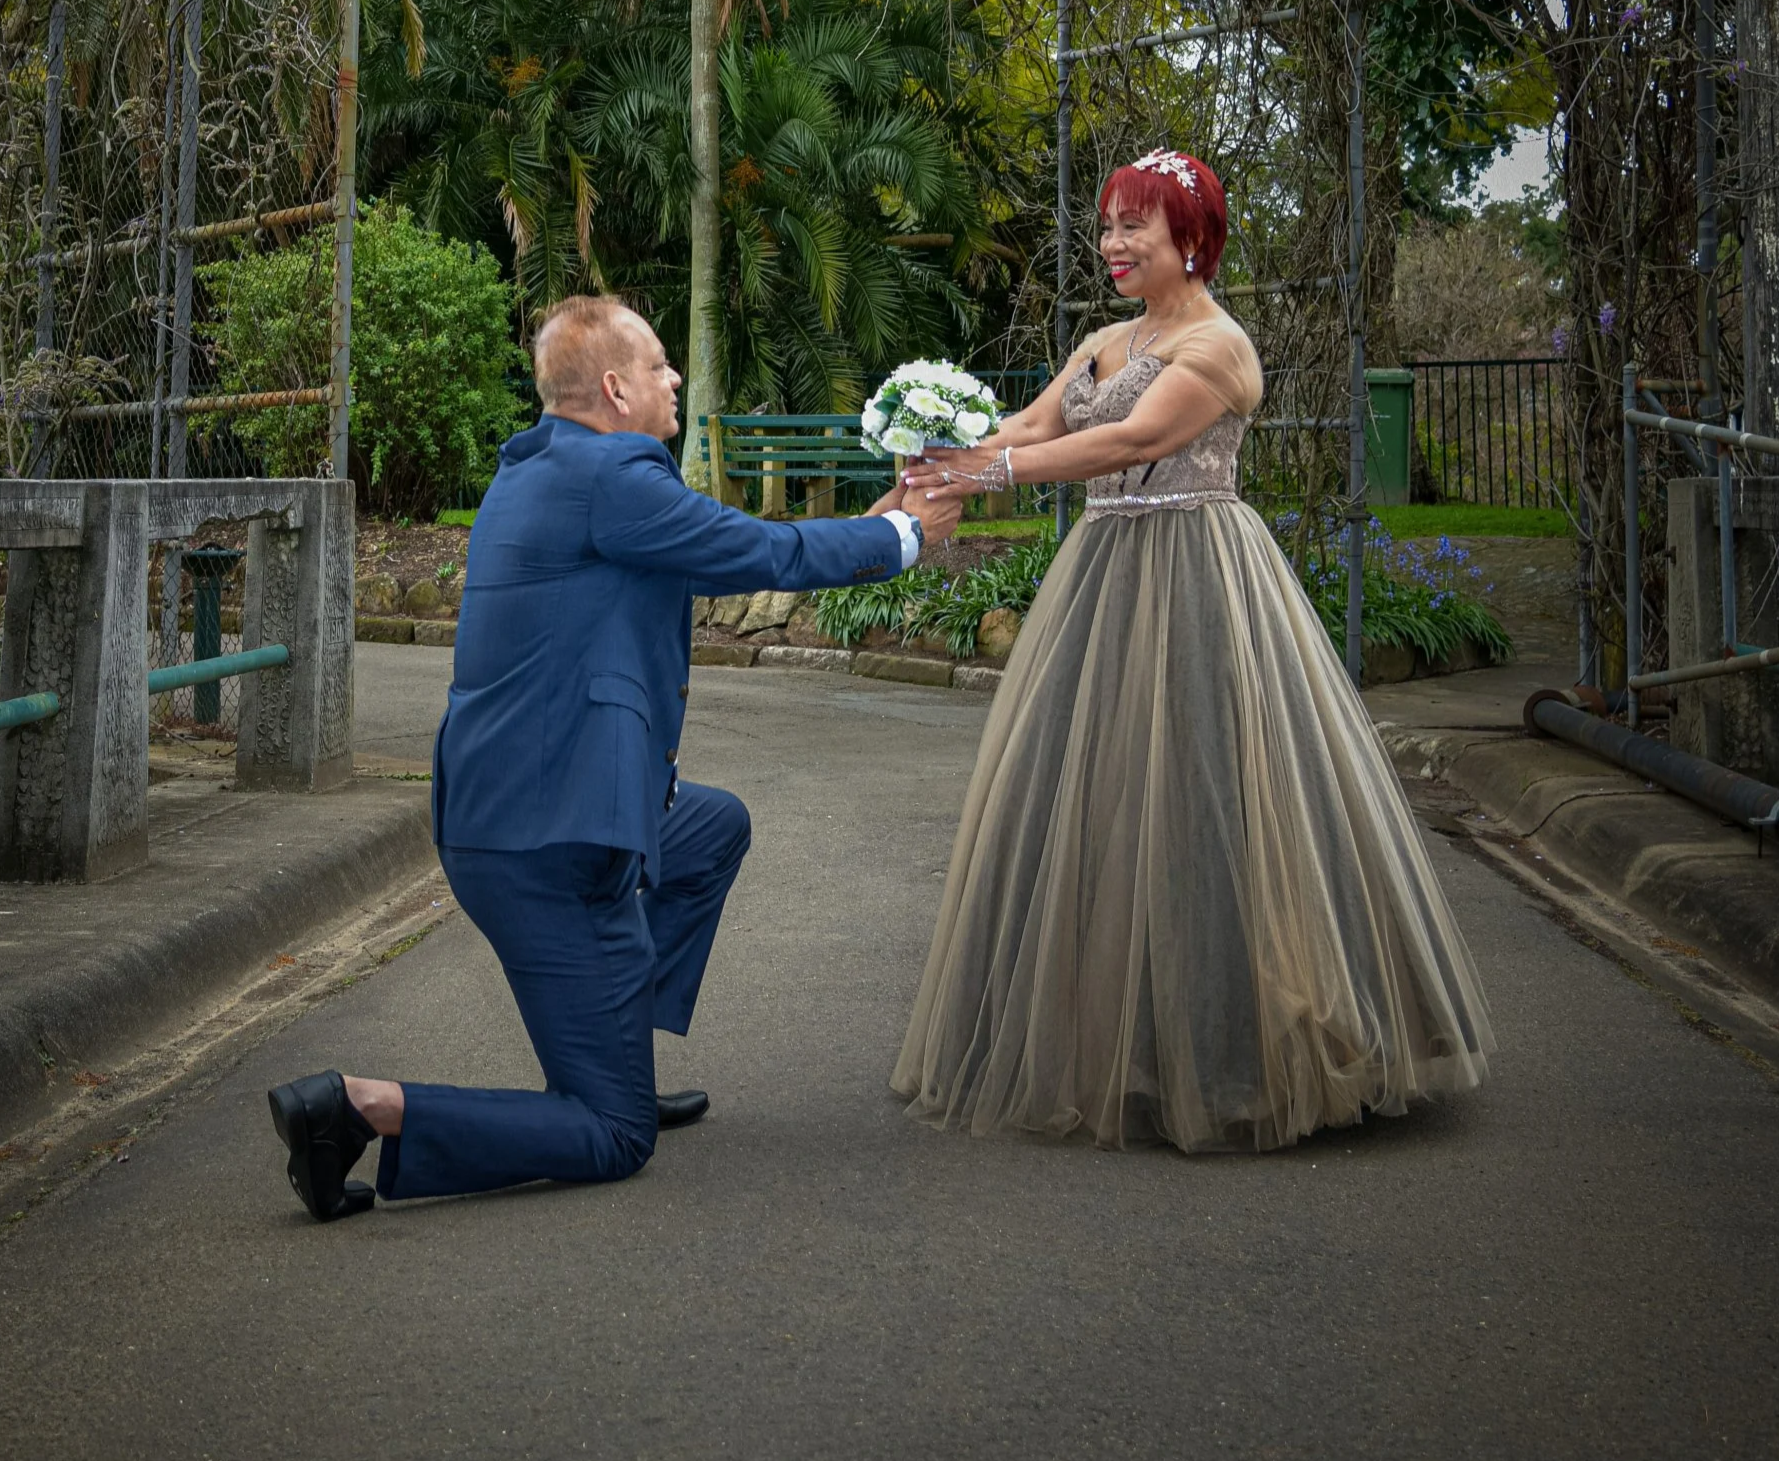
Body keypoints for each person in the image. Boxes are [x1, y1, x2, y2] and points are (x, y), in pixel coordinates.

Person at [269, 291, 969, 1219]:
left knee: (711, 825)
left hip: (515, 812)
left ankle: (612, 1050)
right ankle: (359, 1107)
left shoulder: (549, 466)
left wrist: (885, 523)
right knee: (612, 1137)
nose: (672, 376)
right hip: (547, 842)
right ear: (614, 386)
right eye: (656, 364)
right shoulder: (614, 478)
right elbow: (759, 549)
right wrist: (907, 536)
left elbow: (735, 548)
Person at [891, 146, 1492, 1154]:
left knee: (1210, 796)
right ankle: (1116, 1049)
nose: (1114, 244)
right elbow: (1032, 422)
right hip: (1103, 576)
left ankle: (1240, 1052)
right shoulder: (1100, 341)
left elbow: (1127, 444)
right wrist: (932, 456)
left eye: (1136, 225)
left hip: (1200, 577)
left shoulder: (1216, 347)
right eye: (1108, 225)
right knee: (1090, 798)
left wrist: (988, 470)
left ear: (1191, 236)